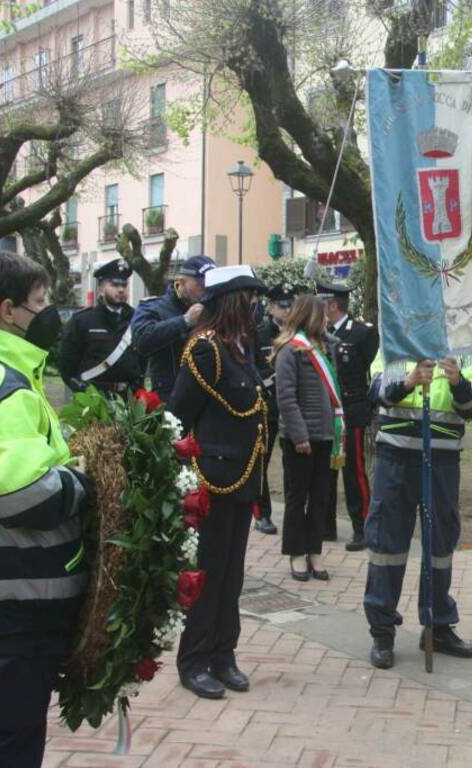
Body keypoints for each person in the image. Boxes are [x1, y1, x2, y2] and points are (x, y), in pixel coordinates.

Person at [0, 250, 90, 766]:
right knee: (5, 737)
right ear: (9, 311)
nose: (49, 311)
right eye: (40, 301)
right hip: (18, 589)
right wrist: (80, 484)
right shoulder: (8, 388)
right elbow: (19, 494)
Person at [169, 264, 269, 699]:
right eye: (248, 299)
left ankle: (223, 655)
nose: (254, 308)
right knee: (207, 575)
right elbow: (178, 416)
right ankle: (194, 660)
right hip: (214, 478)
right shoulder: (206, 349)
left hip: (244, 476)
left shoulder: (240, 347)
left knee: (232, 575)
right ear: (232, 302)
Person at [363, 353, 472, 669]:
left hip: (442, 460)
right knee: (387, 544)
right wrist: (408, 382)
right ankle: (382, 631)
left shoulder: (465, 350)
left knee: (440, 544)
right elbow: (375, 392)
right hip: (396, 458)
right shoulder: (395, 342)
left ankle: (438, 625)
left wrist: (458, 382)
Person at [274, 295, 343, 582]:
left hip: (326, 435)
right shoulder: (291, 351)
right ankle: (296, 553)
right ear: (310, 316)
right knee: (296, 497)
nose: (327, 319)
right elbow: (286, 398)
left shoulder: (326, 348)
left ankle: (315, 550)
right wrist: (300, 434)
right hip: (299, 439)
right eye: (323, 315)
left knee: (320, 499)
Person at [320, 282, 379, 552]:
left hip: (352, 411)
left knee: (353, 472)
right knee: (327, 470)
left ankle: (362, 527)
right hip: (326, 411)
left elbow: (368, 368)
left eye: (322, 302)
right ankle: (326, 525)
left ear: (333, 305)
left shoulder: (361, 333)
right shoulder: (320, 333)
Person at [132, 255, 216, 401]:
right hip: (169, 396)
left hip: (205, 396)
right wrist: (185, 321)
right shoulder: (154, 307)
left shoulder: (212, 308)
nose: (206, 291)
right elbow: (141, 341)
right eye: (201, 285)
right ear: (182, 282)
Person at [58, 258, 142, 396]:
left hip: (129, 399)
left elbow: (142, 360)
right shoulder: (83, 321)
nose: (121, 289)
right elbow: (67, 365)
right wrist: (82, 391)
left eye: (124, 285)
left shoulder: (137, 319)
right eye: (114, 285)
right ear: (101, 289)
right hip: (93, 398)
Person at [252, 285, 297, 536]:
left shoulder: (298, 334)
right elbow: (252, 369)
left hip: (292, 405)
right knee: (262, 459)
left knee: (293, 460)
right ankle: (262, 514)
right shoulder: (258, 334)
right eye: (282, 305)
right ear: (270, 307)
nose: (287, 310)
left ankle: (293, 511)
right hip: (267, 404)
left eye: (290, 305)